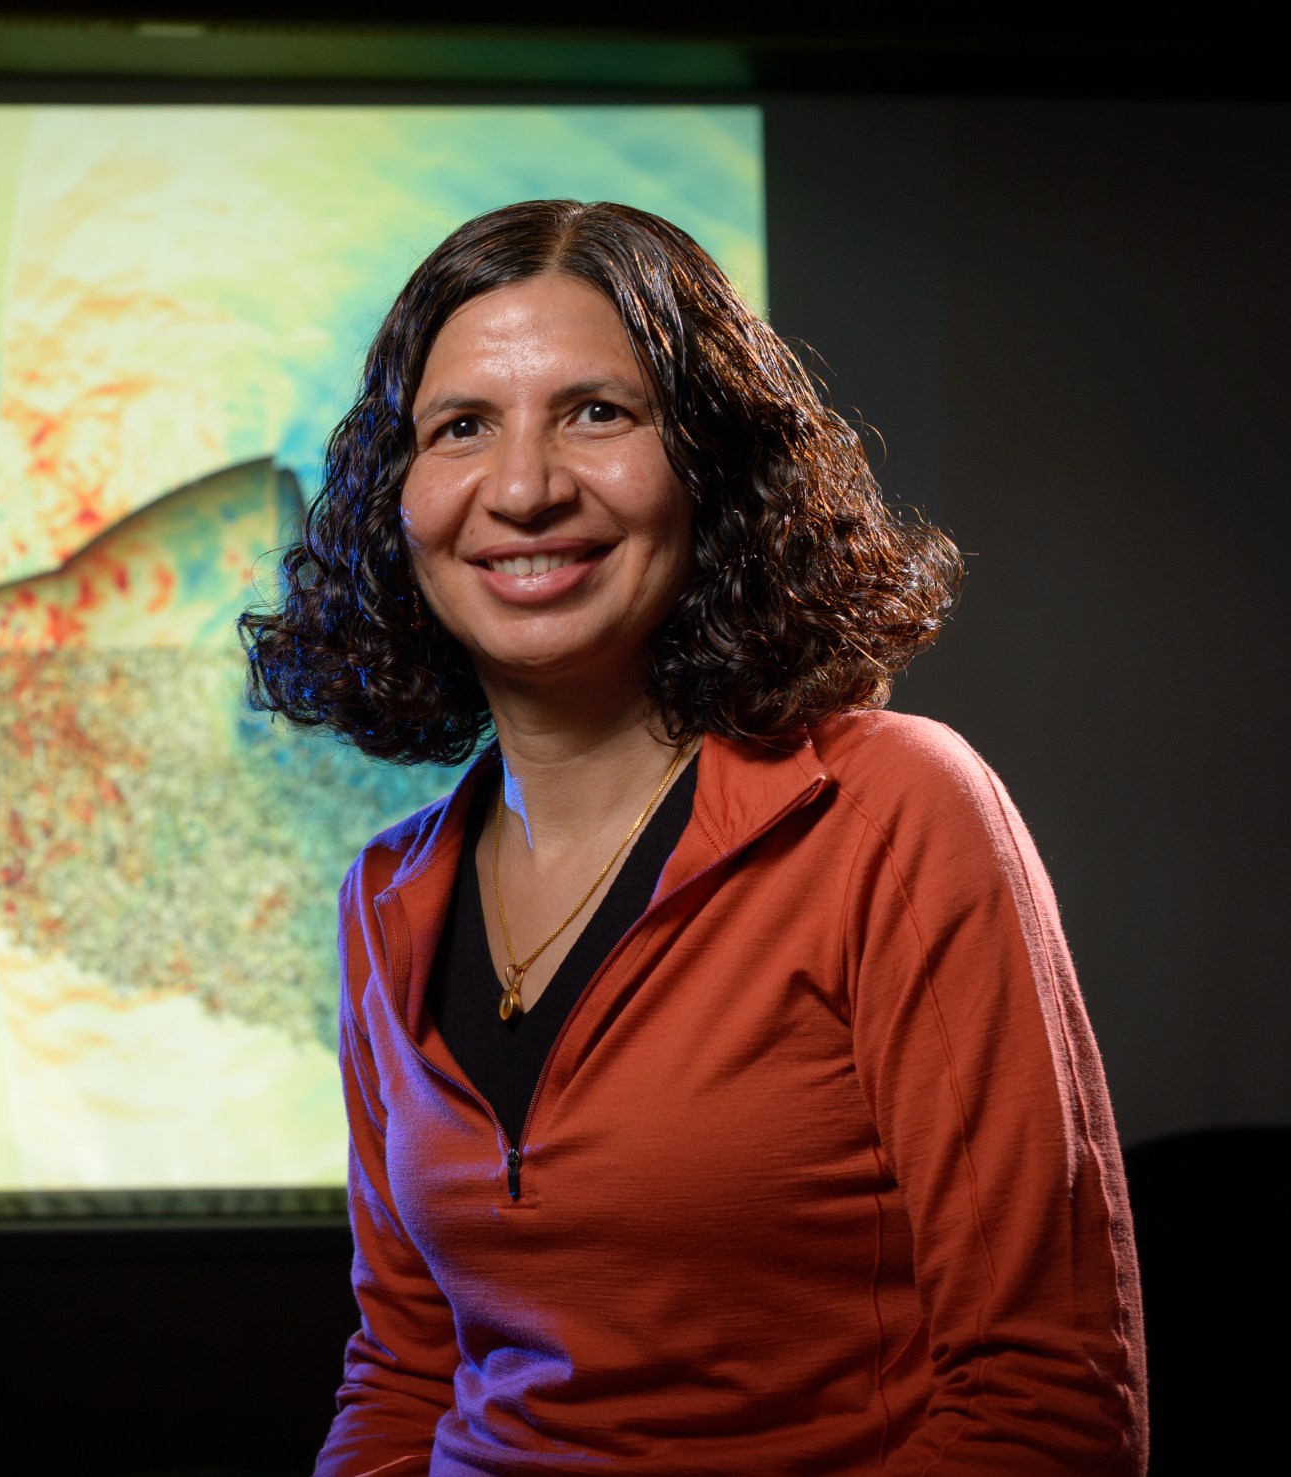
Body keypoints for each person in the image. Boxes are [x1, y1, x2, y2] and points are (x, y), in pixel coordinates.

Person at [239, 200, 1146, 1475]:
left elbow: (1043, 1398)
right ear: (399, 503)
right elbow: (403, 1373)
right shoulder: (386, 895)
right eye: (460, 429)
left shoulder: (893, 812)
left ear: (710, 463)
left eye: (596, 412)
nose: (522, 487)